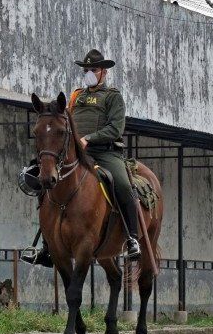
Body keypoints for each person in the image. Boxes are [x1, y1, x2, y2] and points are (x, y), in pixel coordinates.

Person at [21, 49, 141, 267]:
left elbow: (115, 128)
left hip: (105, 153)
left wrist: (90, 138)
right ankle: (46, 246)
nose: (88, 73)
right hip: (79, 153)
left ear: (103, 72)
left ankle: (132, 238)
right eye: (86, 70)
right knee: (45, 183)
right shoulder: (76, 96)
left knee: (122, 184)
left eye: (92, 69)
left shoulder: (113, 97)